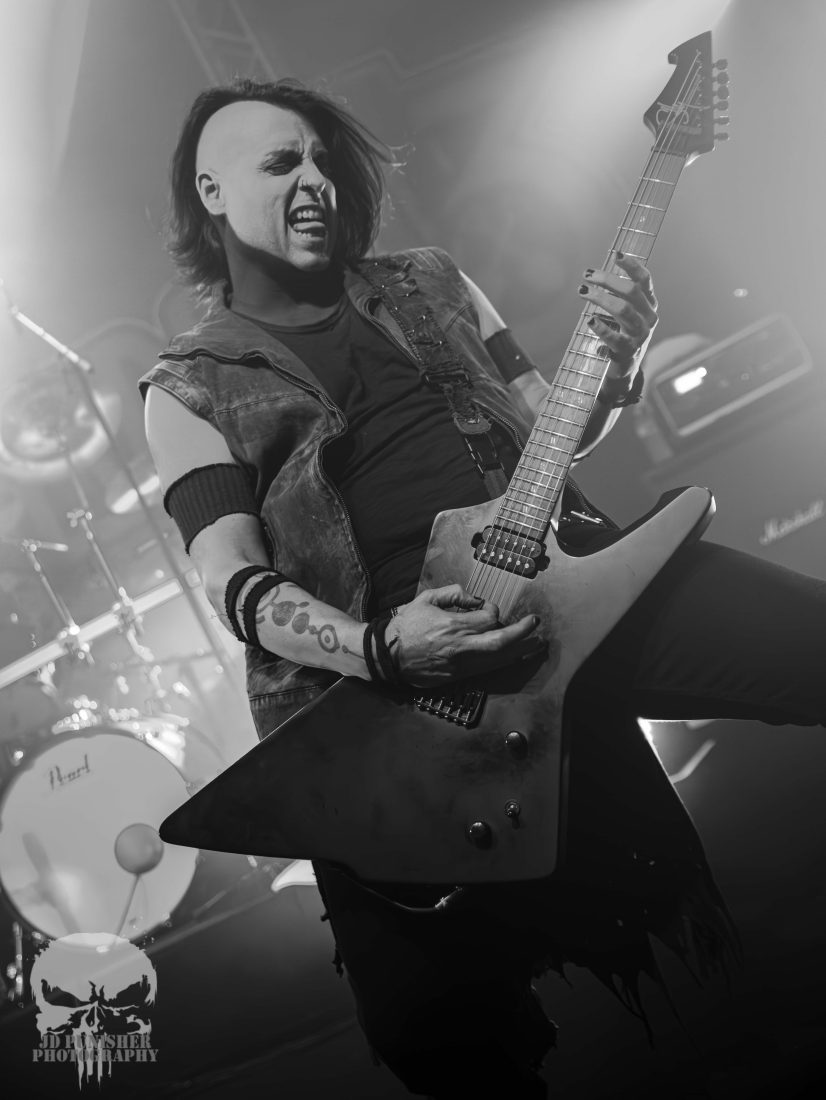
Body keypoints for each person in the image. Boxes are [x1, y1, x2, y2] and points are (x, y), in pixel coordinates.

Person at [141, 78, 826, 1098]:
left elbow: (551, 428)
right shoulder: (188, 386)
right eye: (281, 163)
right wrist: (383, 647)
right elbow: (233, 577)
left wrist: (621, 359)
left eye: (323, 158)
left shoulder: (434, 281)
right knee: (436, 1031)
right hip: (387, 698)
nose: (315, 179)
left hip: (575, 580)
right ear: (210, 191)